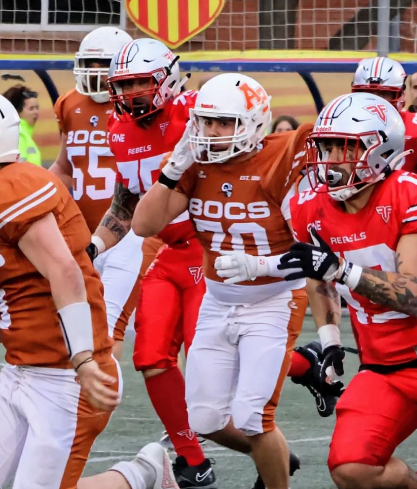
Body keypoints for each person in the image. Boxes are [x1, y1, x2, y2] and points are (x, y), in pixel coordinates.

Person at [0, 86, 179, 489]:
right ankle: (145, 472)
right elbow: (5, 317)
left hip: (67, 378)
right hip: (19, 372)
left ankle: (139, 476)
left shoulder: (11, 186)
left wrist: (83, 360)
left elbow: (65, 271)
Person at [132, 73, 308, 489]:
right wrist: (172, 171)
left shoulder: (282, 155)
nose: (213, 132)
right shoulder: (195, 164)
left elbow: (311, 251)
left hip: (274, 299)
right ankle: (275, 458)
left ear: (254, 121)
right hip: (217, 299)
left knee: (252, 416)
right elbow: (144, 224)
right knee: (204, 419)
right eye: (207, 122)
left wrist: (263, 267)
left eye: (225, 122)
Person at [281, 91, 417, 489]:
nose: (329, 159)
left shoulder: (413, 193)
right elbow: (319, 275)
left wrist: (342, 269)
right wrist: (330, 338)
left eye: (343, 148)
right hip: (385, 367)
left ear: (380, 149)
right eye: (326, 146)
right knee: (352, 467)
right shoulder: (311, 206)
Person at [87, 37, 217, 488]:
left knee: (211, 363)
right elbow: (126, 202)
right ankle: (192, 460)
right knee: (151, 356)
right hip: (166, 252)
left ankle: (302, 364)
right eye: (123, 84)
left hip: (213, 250)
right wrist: (93, 249)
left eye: (142, 81)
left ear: (166, 79)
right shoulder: (118, 128)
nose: (131, 93)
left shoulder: (201, 111)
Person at [50, 26, 158, 360]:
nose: (95, 72)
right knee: (75, 327)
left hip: (130, 235)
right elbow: (65, 168)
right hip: (83, 236)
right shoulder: (69, 103)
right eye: (90, 63)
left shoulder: (141, 108)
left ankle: (95, 405)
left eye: (104, 64)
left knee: (109, 328)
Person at [352, 57, 417, 177]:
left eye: (383, 94)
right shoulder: (343, 124)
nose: (374, 101)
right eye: (367, 93)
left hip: (400, 195)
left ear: (400, 94)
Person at [3, 84, 42, 166]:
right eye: (31, 108)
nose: (36, 112)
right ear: (18, 111)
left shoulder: (24, 133)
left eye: (37, 108)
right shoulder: (19, 134)